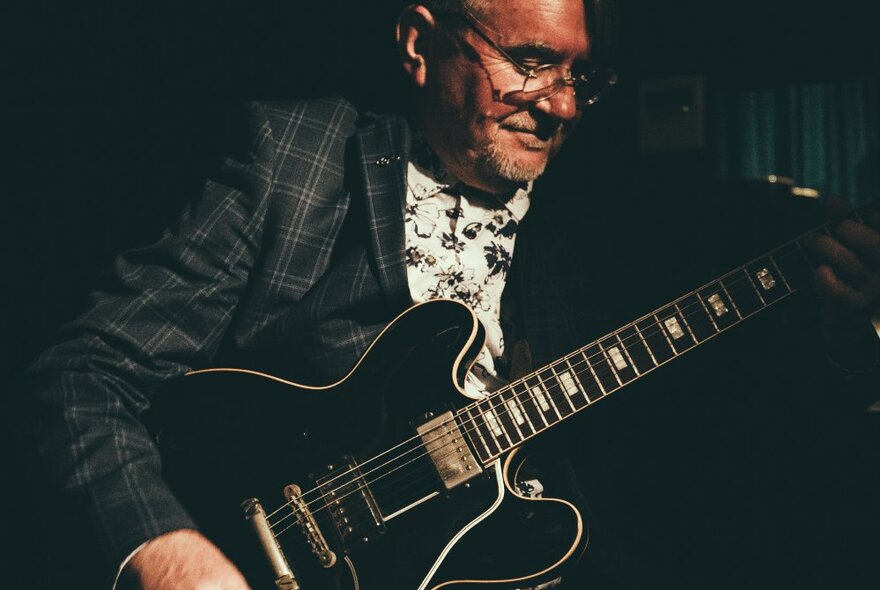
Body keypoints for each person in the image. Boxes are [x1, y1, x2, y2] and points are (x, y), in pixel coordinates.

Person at [22, 0, 879, 589]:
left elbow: (737, 444)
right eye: (533, 62)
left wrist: (845, 347)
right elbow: (84, 375)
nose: (562, 106)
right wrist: (168, 553)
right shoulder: (296, 157)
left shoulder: (614, 224)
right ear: (417, 42)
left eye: (583, 78)